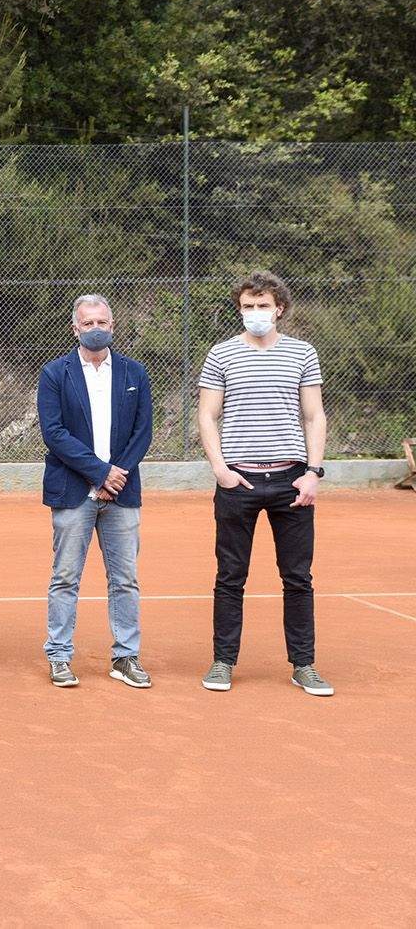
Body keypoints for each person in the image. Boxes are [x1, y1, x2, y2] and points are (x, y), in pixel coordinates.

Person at [196, 271, 331, 696]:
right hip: (239, 482)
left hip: (292, 481)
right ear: (240, 309)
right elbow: (207, 416)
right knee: (230, 576)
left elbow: (314, 415)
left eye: (263, 305)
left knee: (298, 577)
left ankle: (304, 665)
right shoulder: (221, 354)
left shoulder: (302, 353)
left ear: (279, 308)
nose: (255, 312)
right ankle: (223, 662)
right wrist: (221, 469)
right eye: (248, 306)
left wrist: (312, 472)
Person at [36, 294, 154, 689]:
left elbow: (143, 432)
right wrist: (100, 473)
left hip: (122, 493)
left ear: (112, 326)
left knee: (125, 579)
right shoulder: (55, 374)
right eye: (88, 323)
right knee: (65, 577)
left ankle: (125, 657)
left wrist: (116, 476)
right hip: (74, 491)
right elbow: (54, 433)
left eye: (102, 322)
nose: (95, 329)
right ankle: (59, 656)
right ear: (75, 328)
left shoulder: (135, 373)